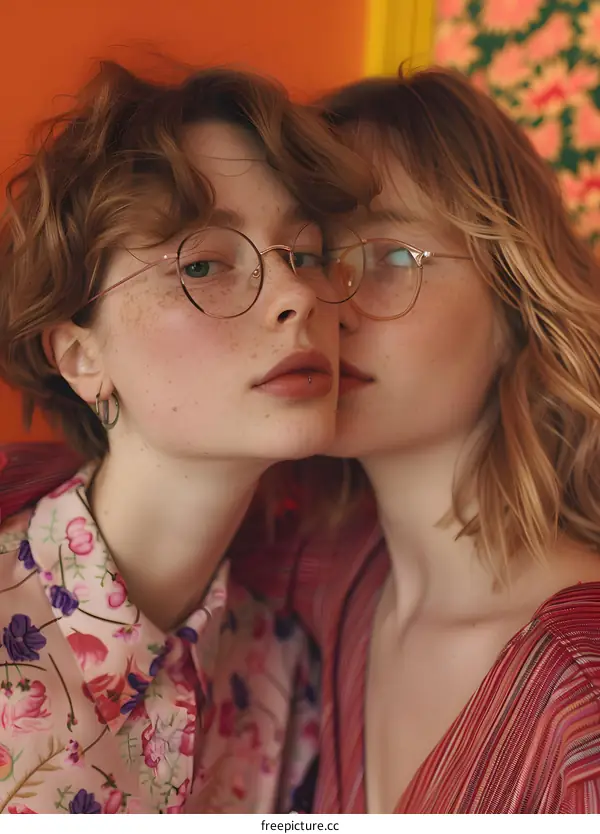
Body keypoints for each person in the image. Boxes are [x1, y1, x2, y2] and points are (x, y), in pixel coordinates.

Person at [0, 60, 374, 813]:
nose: (298, 295)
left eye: (305, 255)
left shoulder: (288, 671)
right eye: (204, 264)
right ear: (81, 356)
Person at [230, 65, 600, 814]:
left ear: (516, 305)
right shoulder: (331, 577)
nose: (324, 307)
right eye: (312, 258)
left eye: (391, 258)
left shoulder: (583, 687)